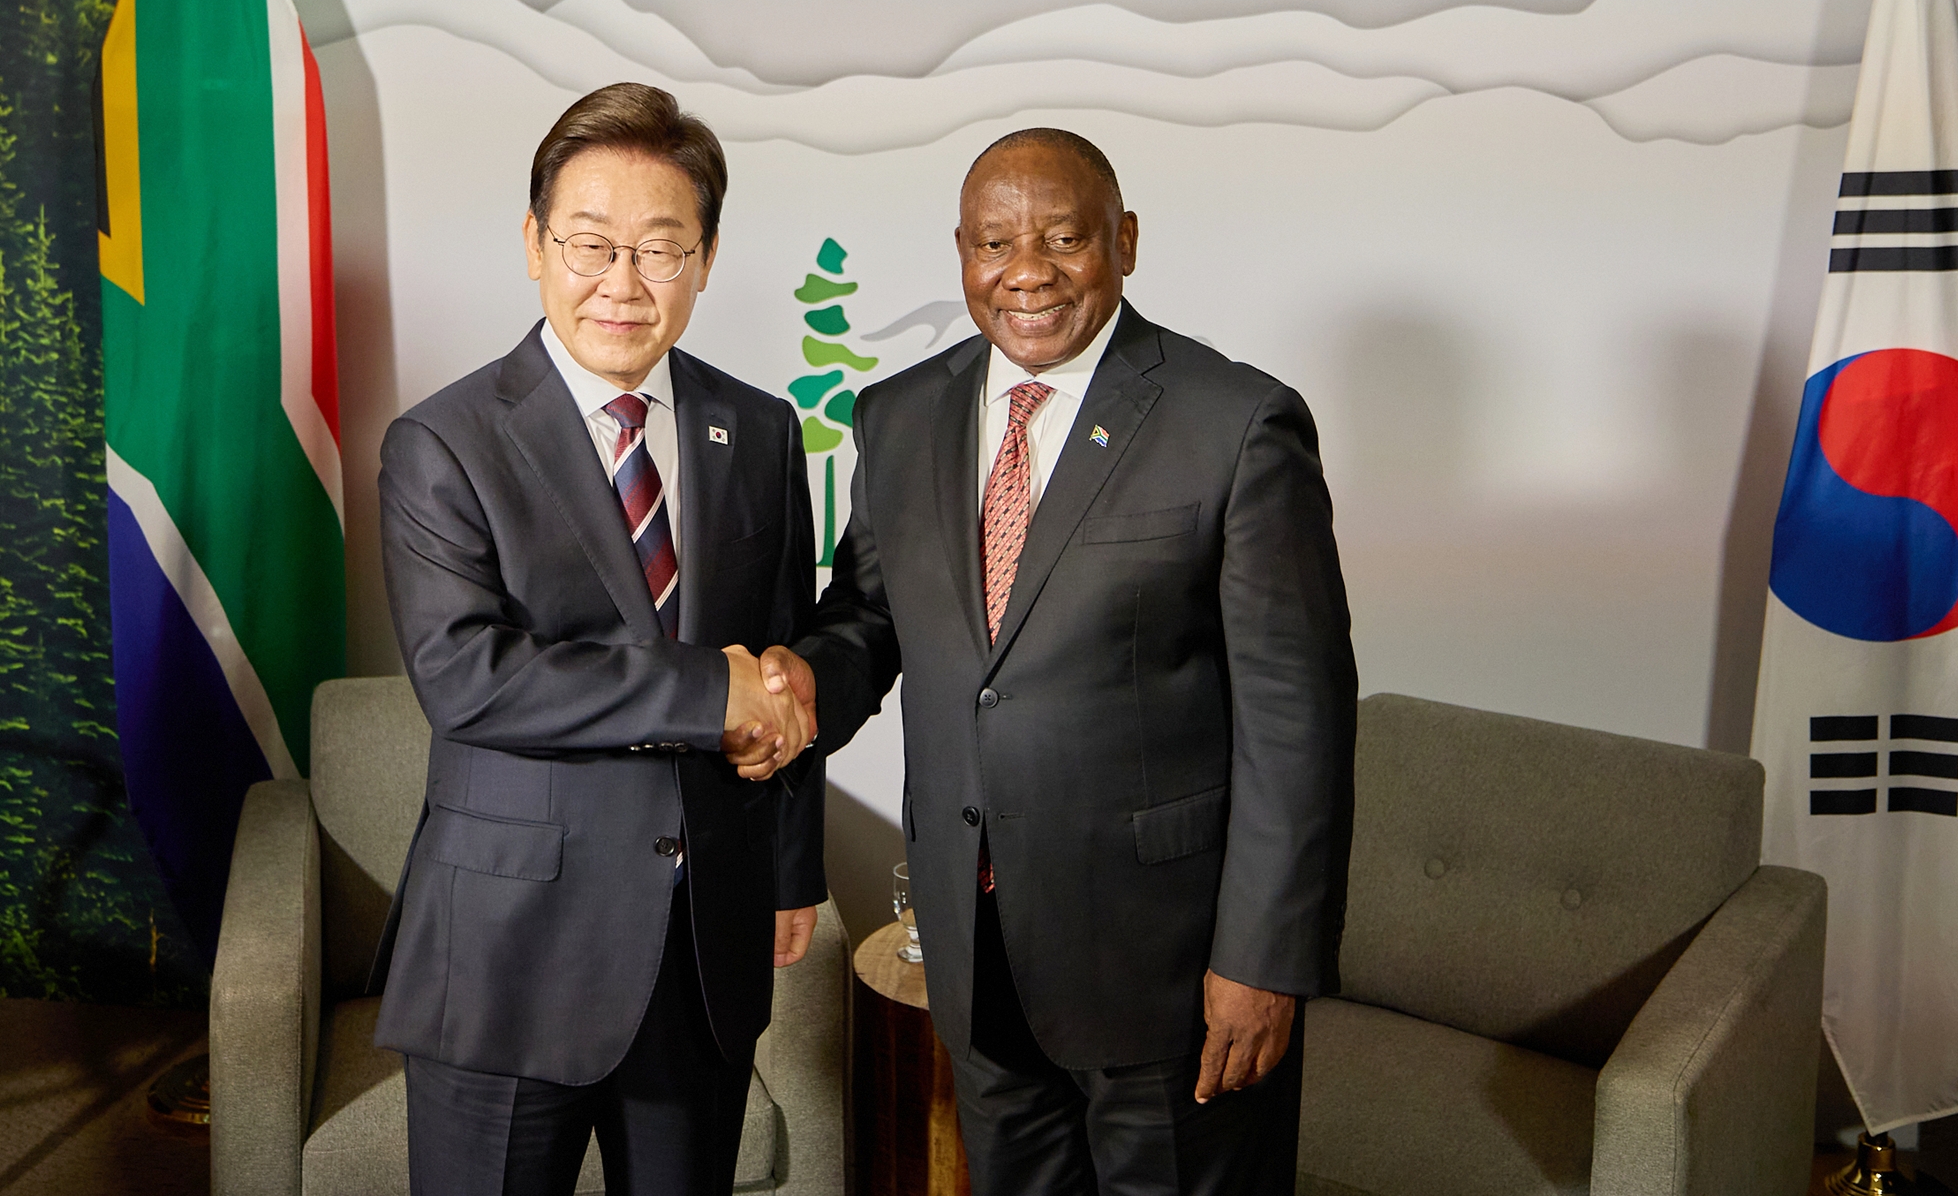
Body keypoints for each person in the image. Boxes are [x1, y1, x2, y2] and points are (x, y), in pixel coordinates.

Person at [762, 128, 1358, 1194]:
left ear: (1123, 240)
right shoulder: (898, 415)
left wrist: (1263, 959)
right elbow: (870, 616)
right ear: (961, 252)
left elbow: (1296, 719)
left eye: (1064, 238)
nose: (1026, 271)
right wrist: (803, 682)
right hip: (977, 955)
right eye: (994, 243)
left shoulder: (1235, 422)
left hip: (1168, 975)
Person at [369, 82, 822, 1196]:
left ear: (704, 261)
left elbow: (782, 662)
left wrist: (789, 870)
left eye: (660, 250)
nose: (623, 282)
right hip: (508, 952)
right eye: (590, 244)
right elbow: (466, 678)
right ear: (535, 245)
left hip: (702, 948)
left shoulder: (759, 428)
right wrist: (704, 694)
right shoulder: (442, 441)